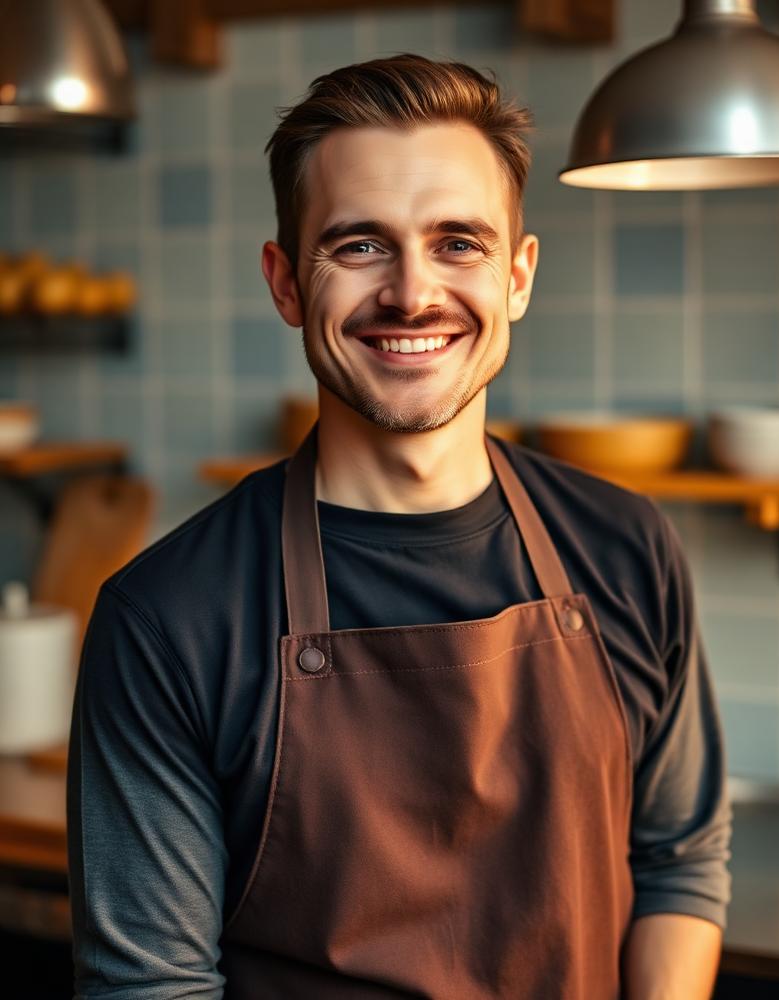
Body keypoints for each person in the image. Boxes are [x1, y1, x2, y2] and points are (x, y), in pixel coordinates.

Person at [68, 54, 731, 1000]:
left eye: (459, 242)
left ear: (519, 276)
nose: (413, 293)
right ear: (287, 283)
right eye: (359, 245)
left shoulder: (627, 547)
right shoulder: (167, 618)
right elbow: (151, 985)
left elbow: (677, 859)